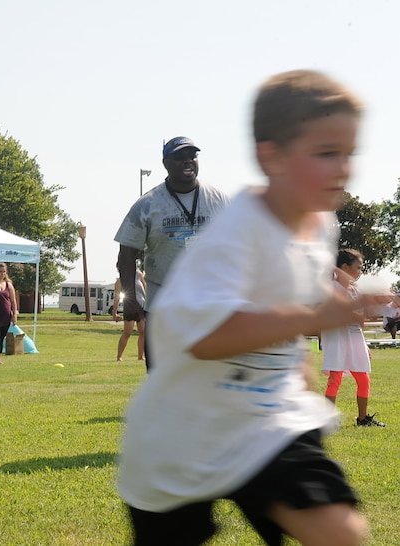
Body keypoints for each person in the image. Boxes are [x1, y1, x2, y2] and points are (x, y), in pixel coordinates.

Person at [118, 70, 383, 545]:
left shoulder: (322, 223)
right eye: (327, 153)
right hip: (183, 432)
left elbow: (296, 285)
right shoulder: (235, 231)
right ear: (272, 156)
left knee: (342, 533)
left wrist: (305, 348)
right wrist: (315, 318)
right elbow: (209, 336)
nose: (344, 168)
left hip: (267, 418)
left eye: (349, 153)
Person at [114, 136, 229, 372]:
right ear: (165, 162)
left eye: (192, 156)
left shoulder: (219, 200)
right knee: (161, 375)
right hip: (163, 307)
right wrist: (131, 298)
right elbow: (126, 255)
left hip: (209, 305)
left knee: (210, 376)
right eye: (179, 157)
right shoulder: (147, 205)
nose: (188, 161)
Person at [321, 249, 385, 428]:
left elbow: (360, 319)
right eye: (358, 267)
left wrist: (364, 343)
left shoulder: (356, 290)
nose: (360, 271)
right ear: (344, 267)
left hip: (355, 337)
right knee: (335, 379)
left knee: (363, 379)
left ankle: (363, 419)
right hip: (337, 337)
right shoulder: (331, 288)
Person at [113, 268, 146, 361]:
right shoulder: (119, 281)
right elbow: (117, 298)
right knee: (127, 333)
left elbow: (145, 289)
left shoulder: (139, 275)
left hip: (141, 307)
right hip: (129, 308)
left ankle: (141, 356)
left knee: (143, 332)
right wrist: (114, 313)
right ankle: (119, 356)